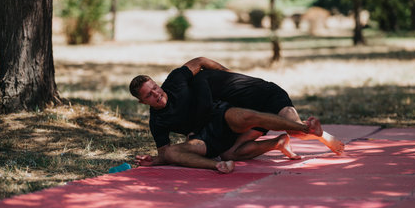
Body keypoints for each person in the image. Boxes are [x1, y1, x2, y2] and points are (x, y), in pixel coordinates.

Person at [129, 57, 324, 173]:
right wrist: (154, 161)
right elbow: (165, 153)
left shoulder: (176, 80)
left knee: (243, 117)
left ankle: (304, 127)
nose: (156, 93)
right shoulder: (157, 121)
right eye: (149, 95)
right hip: (205, 136)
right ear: (142, 102)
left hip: (220, 115)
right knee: (226, 154)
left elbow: (200, 61)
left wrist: (227, 73)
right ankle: (219, 165)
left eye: (155, 87)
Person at [190, 68, 344, 160]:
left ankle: (322, 135)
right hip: (250, 115)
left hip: (268, 97)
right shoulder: (194, 96)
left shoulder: (200, 81)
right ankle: (278, 143)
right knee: (229, 154)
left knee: (295, 130)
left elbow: (202, 115)